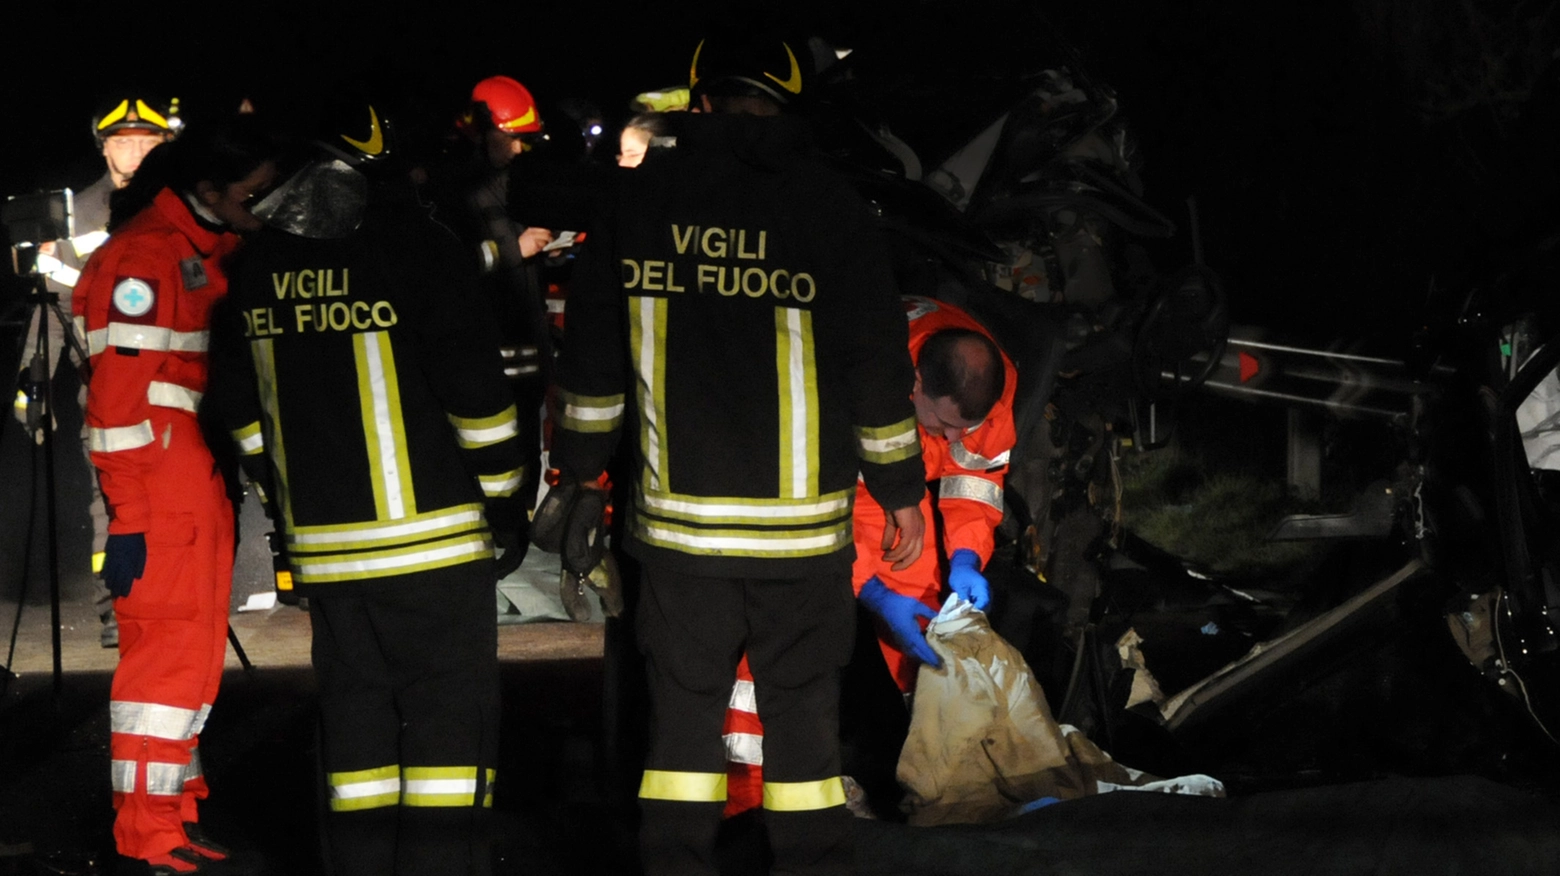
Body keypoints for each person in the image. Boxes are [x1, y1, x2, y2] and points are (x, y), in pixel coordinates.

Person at [541, 32, 927, 876]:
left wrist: (576, 473)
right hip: (799, 536)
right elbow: (875, 363)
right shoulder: (828, 205)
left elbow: (593, 359)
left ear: (700, 100)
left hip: (679, 537)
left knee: (681, 725)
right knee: (803, 724)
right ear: (787, 105)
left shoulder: (635, 203)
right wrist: (901, 489)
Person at [208, 102, 526, 876]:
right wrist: (504, 500)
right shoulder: (418, 248)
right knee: (448, 723)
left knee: (354, 727)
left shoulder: (255, 268)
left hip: (328, 553)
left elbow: (242, 413)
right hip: (437, 547)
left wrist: (285, 503)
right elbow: (477, 399)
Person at [723, 294, 1018, 816]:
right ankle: (746, 796)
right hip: (802, 486)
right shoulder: (849, 370)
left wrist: (968, 556)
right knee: (772, 624)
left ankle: (941, 778)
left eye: (963, 429)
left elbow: (975, 480)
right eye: (942, 423)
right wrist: (869, 588)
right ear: (912, 384)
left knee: (933, 620)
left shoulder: (988, 381)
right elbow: (813, 506)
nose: (952, 439)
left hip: (891, 486)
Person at [73, 115, 275, 875]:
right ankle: (146, 833)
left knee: (189, 666)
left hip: (189, 481)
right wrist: (128, 515)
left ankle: (173, 815)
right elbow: (117, 410)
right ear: (207, 189)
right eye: (254, 193)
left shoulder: (189, 248)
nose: (263, 206)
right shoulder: (143, 260)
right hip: (161, 495)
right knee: (163, 672)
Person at [17, 93, 180, 647]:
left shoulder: (187, 205)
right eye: (121, 142)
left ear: (164, 146)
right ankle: (119, 610)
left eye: (146, 142)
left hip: (184, 384)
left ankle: (187, 593)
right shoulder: (75, 218)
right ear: (103, 146)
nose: (133, 153)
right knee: (110, 498)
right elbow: (52, 314)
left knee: (186, 494)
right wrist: (32, 385)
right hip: (107, 387)